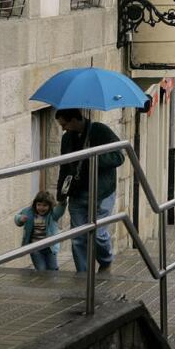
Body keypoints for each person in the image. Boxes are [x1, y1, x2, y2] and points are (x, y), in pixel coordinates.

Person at [55, 108, 125, 274]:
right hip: (77, 194)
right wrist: (61, 194)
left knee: (98, 233)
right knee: (78, 237)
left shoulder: (99, 130)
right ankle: (83, 274)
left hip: (101, 192)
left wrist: (92, 158)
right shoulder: (67, 139)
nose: (63, 128)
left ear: (74, 119)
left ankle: (106, 261)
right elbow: (64, 167)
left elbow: (119, 157)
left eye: (64, 124)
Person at [13, 189, 65, 271]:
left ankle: (52, 282)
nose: (41, 208)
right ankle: (42, 281)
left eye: (45, 205)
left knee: (52, 268)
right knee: (41, 269)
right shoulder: (29, 212)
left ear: (50, 206)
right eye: (39, 205)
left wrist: (63, 202)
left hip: (50, 248)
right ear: (35, 204)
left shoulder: (52, 215)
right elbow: (17, 216)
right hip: (35, 247)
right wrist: (20, 219)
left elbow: (59, 211)